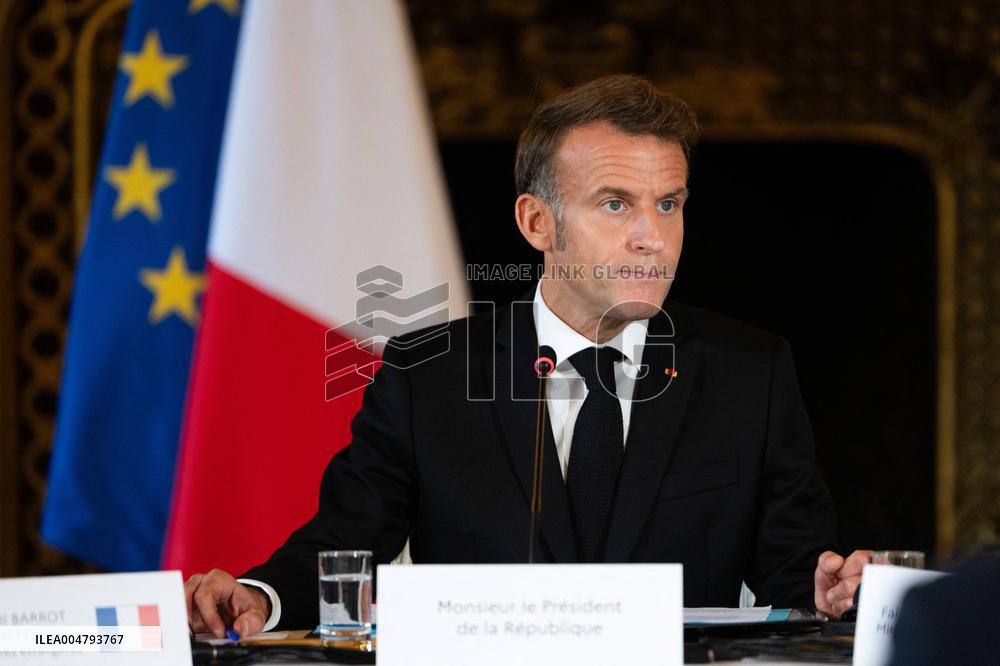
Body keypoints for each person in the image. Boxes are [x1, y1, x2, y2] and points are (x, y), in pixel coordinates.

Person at [185, 74, 866, 638]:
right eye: (615, 204)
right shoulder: (430, 376)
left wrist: (831, 591)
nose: (653, 237)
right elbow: (344, 544)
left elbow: (796, 576)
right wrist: (259, 597)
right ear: (537, 222)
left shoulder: (751, 373)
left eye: (668, 204)